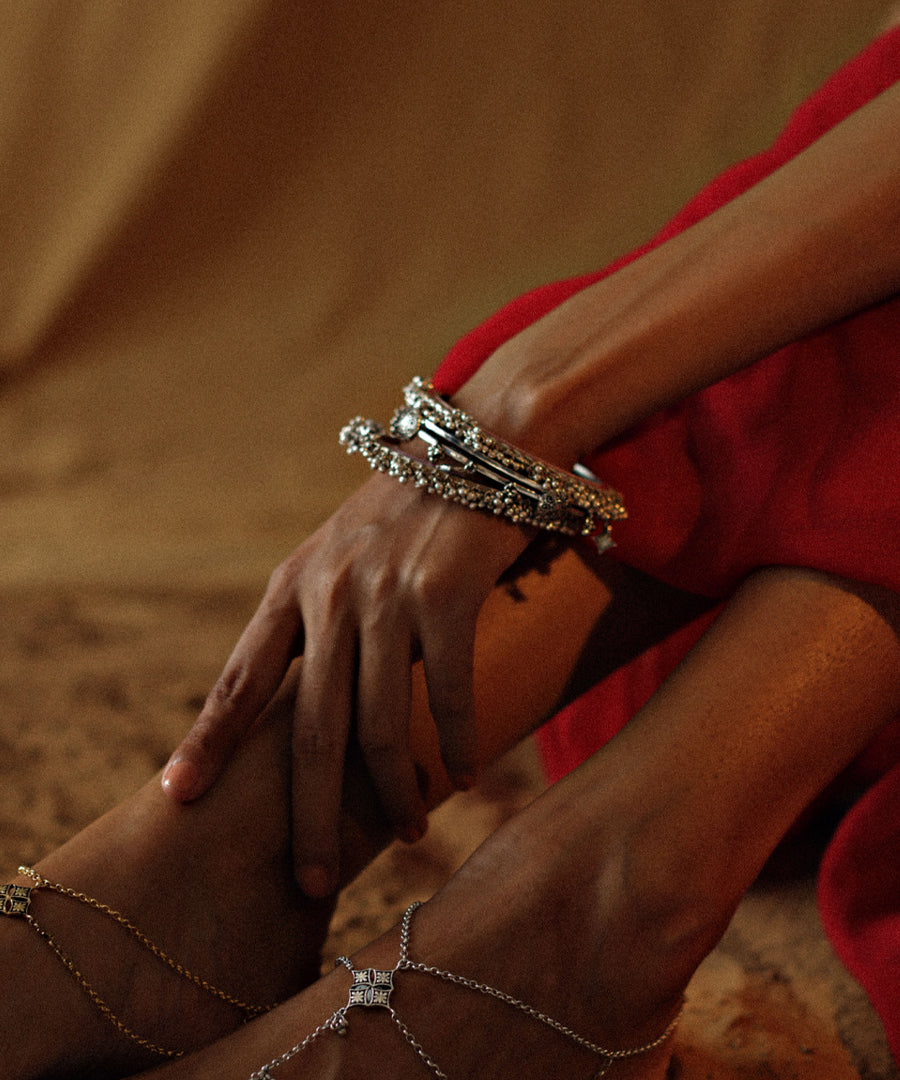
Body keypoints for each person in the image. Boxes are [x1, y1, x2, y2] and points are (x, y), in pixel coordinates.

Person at [4, 17, 900, 1080]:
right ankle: (272, 829)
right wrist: (519, 413)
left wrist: (510, 419)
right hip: (736, 588)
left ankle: (600, 907)